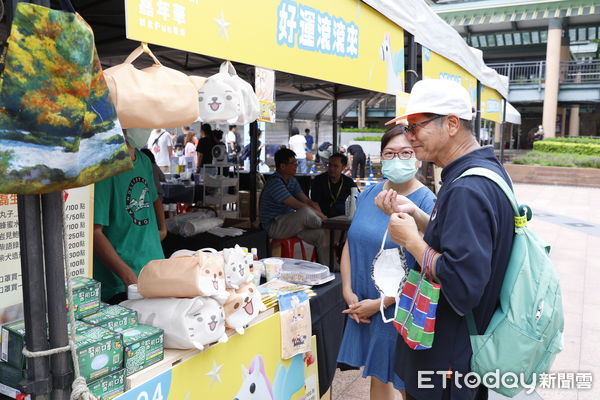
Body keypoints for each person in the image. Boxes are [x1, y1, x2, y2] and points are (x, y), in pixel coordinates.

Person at [375, 79, 514, 399]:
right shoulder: (486, 172)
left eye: (416, 126)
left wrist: (412, 241)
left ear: (452, 123)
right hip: (462, 352)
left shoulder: (466, 189)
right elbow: (464, 243)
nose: (410, 136)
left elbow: (463, 284)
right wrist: (421, 219)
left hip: (445, 362)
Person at [337, 124, 436, 400]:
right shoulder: (370, 193)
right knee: (378, 378)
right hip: (362, 304)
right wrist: (348, 291)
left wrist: (380, 304)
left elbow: (424, 265)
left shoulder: (426, 203)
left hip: (399, 310)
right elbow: (351, 243)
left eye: (405, 152)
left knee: (404, 385)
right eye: (389, 153)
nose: (397, 159)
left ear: (417, 157)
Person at [93, 130, 167, 304]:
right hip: (121, 284)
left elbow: (154, 197)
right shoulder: (105, 166)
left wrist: (163, 229)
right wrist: (128, 278)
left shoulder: (144, 160)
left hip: (155, 269)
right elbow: (95, 232)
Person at [259, 148, 328, 264]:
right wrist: (323, 217)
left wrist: (317, 209)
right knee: (305, 212)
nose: (296, 165)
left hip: (290, 224)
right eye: (293, 163)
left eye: (296, 163)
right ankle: (329, 225)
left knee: (321, 234)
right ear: (282, 166)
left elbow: (306, 200)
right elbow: (298, 205)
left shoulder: (291, 180)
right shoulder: (275, 182)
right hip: (274, 226)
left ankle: (327, 267)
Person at [310, 153, 357, 218]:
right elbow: (315, 203)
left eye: (335, 166)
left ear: (343, 167)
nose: (331, 168)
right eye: (330, 165)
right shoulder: (319, 180)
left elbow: (357, 198)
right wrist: (322, 217)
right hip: (322, 216)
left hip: (343, 216)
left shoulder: (348, 182)